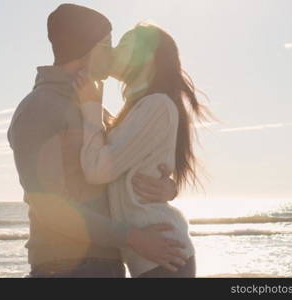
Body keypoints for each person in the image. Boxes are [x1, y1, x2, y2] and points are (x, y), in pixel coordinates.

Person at [7, 4, 189, 278]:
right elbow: (48, 207)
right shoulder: (39, 108)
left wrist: (167, 187)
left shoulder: (94, 108)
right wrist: (133, 238)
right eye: (108, 44)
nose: (113, 52)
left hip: (108, 264)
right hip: (66, 268)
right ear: (88, 48)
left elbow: (121, 170)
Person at [74, 22, 213, 277]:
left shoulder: (156, 106)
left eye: (125, 45)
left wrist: (91, 107)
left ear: (148, 58)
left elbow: (96, 170)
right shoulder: (139, 110)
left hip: (164, 257)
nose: (114, 50)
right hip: (155, 257)